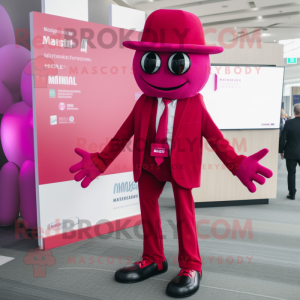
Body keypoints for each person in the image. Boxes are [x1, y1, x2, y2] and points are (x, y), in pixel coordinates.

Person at [69, 9, 273, 298]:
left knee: (184, 215)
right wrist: (100, 161)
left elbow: (216, 139)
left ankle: (191, 265)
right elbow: (122, 135)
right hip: (149, 164)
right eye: (151, 61)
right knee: (149, 212)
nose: (162, 70)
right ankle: (153, 259)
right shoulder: (143, 104)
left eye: (178, 63)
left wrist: (237, 164)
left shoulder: (195, 105)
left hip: (181, 166)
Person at [279, 103, 300, 200]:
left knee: (291, 173)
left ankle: (292, 194)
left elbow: (283, 138)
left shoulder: (288, 123)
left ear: (294, 112)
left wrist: (281, 151)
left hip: (290, 152)